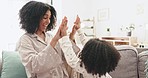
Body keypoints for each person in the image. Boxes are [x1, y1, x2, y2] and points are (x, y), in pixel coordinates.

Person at [15, 1, 80, 78]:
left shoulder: (50, 37)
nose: (48, 21)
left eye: (49, 18)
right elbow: (34, 65)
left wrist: (71, 35)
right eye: (45, 17)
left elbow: (69, 55)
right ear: (33, 18)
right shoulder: (25, 40)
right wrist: (54, 40)